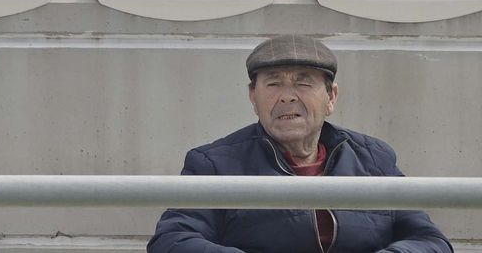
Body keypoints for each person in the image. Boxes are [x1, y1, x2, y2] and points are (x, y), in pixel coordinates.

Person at [149, 35, 451, 253]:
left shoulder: (374, 158)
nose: (287, 96)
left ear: (331, 97)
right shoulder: (214, 164)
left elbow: (430, 240)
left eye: (303, 82)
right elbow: (172, 240)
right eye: (273, 82)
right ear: (253, 97)